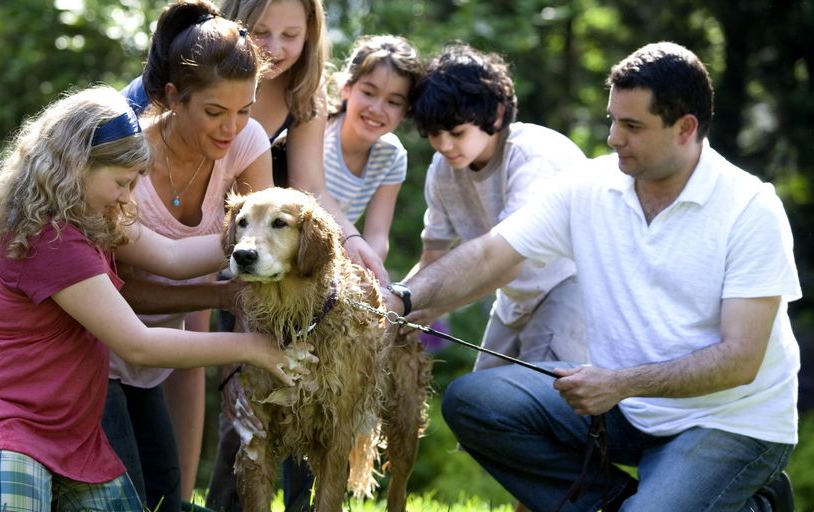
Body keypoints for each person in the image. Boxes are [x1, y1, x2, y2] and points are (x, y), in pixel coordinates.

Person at [385, 42, 799, 512]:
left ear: (685, 128)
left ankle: (754, 503)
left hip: (728, 422)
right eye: (612, 120)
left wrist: (621, 383)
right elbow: (489, 256)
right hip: (628, 411)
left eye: (632, 126)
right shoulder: (590, 187)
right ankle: (618, 504)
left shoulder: (750, 207)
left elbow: (740, 359)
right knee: (475, 401)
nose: (613, 138)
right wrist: (401, 298)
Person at [0, 85, 298, 510]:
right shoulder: (49, 238)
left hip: (67, 431)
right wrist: (254, 347)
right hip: (1, 418)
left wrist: (261, 240)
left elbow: (173, 256)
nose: (126, 196)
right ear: (75, 168)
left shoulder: (85, 219)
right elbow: (137, 343)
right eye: (121, 182)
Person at [103, 2, 273, 510]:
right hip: (92, 358)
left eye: (244, 111)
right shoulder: (126, 159)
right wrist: (221, 293)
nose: (231, 128)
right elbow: (120, 293)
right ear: (174, 97)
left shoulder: (246, 144)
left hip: (152, 360)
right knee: (128, 502)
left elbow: (262, 248)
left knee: (166, 502)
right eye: (215, 112)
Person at [398, 43, 588, 374]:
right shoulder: (442, 171)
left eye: (457, 132)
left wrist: (435, 306)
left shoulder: (531, 158)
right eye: (434, 134)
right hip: (514, 298)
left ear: (497, 115)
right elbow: (432, 259)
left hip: (573, 285)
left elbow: (505, 263)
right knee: (480, 397)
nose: (444, 145)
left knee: (537, 395)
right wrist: (398, 302)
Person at [219, 0, 388, 284]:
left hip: (248, 235)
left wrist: (350, 238)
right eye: (260, 31)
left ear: (309, 32)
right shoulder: (208, 80)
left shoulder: (304, 89)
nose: (273, 48)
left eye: (290, 35)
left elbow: (309, 186)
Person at [323, 34, 422, 261]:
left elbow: (377, 235)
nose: (377, 109)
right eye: (368, 93)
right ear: (347, 88)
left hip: (328, 260)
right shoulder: (317, 132)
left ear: (405, 110)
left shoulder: (392, 156)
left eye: (393, 102)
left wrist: (371, 271)